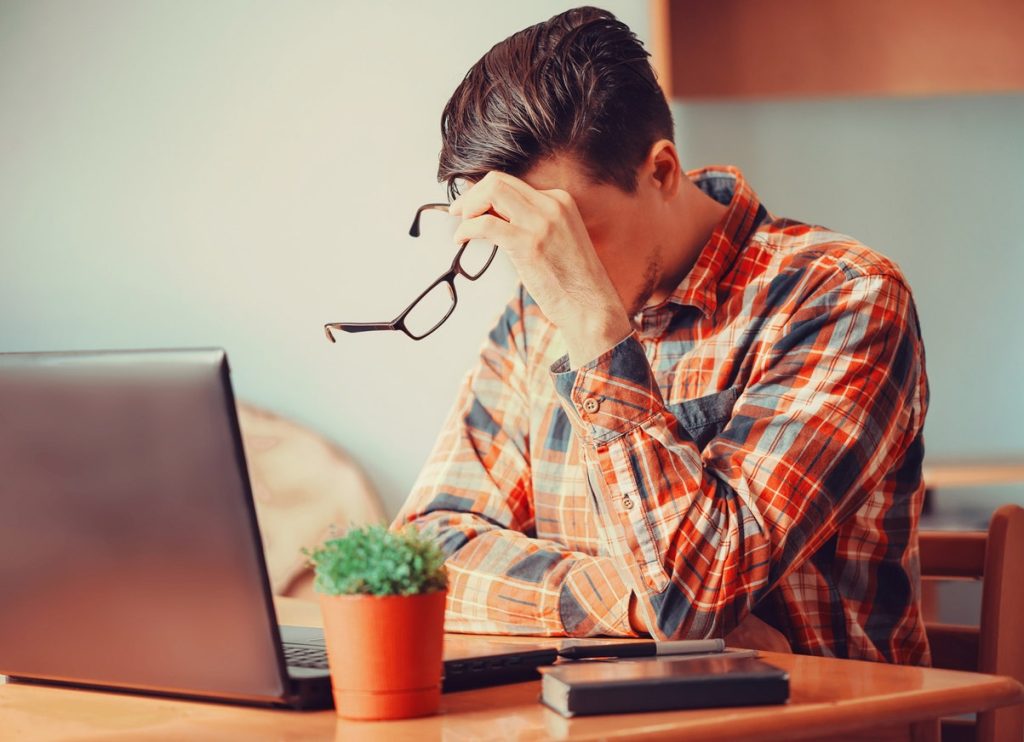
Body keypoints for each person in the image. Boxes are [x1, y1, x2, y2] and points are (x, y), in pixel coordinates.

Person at [392, 6, 930, 665]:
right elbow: (425, 550)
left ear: (663, 171)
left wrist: (595, 330)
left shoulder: (842, 295)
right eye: (528, 241)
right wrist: (626, 601)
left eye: (569, 233)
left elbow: (694, 596)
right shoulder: (534, 319)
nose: (548, 276)